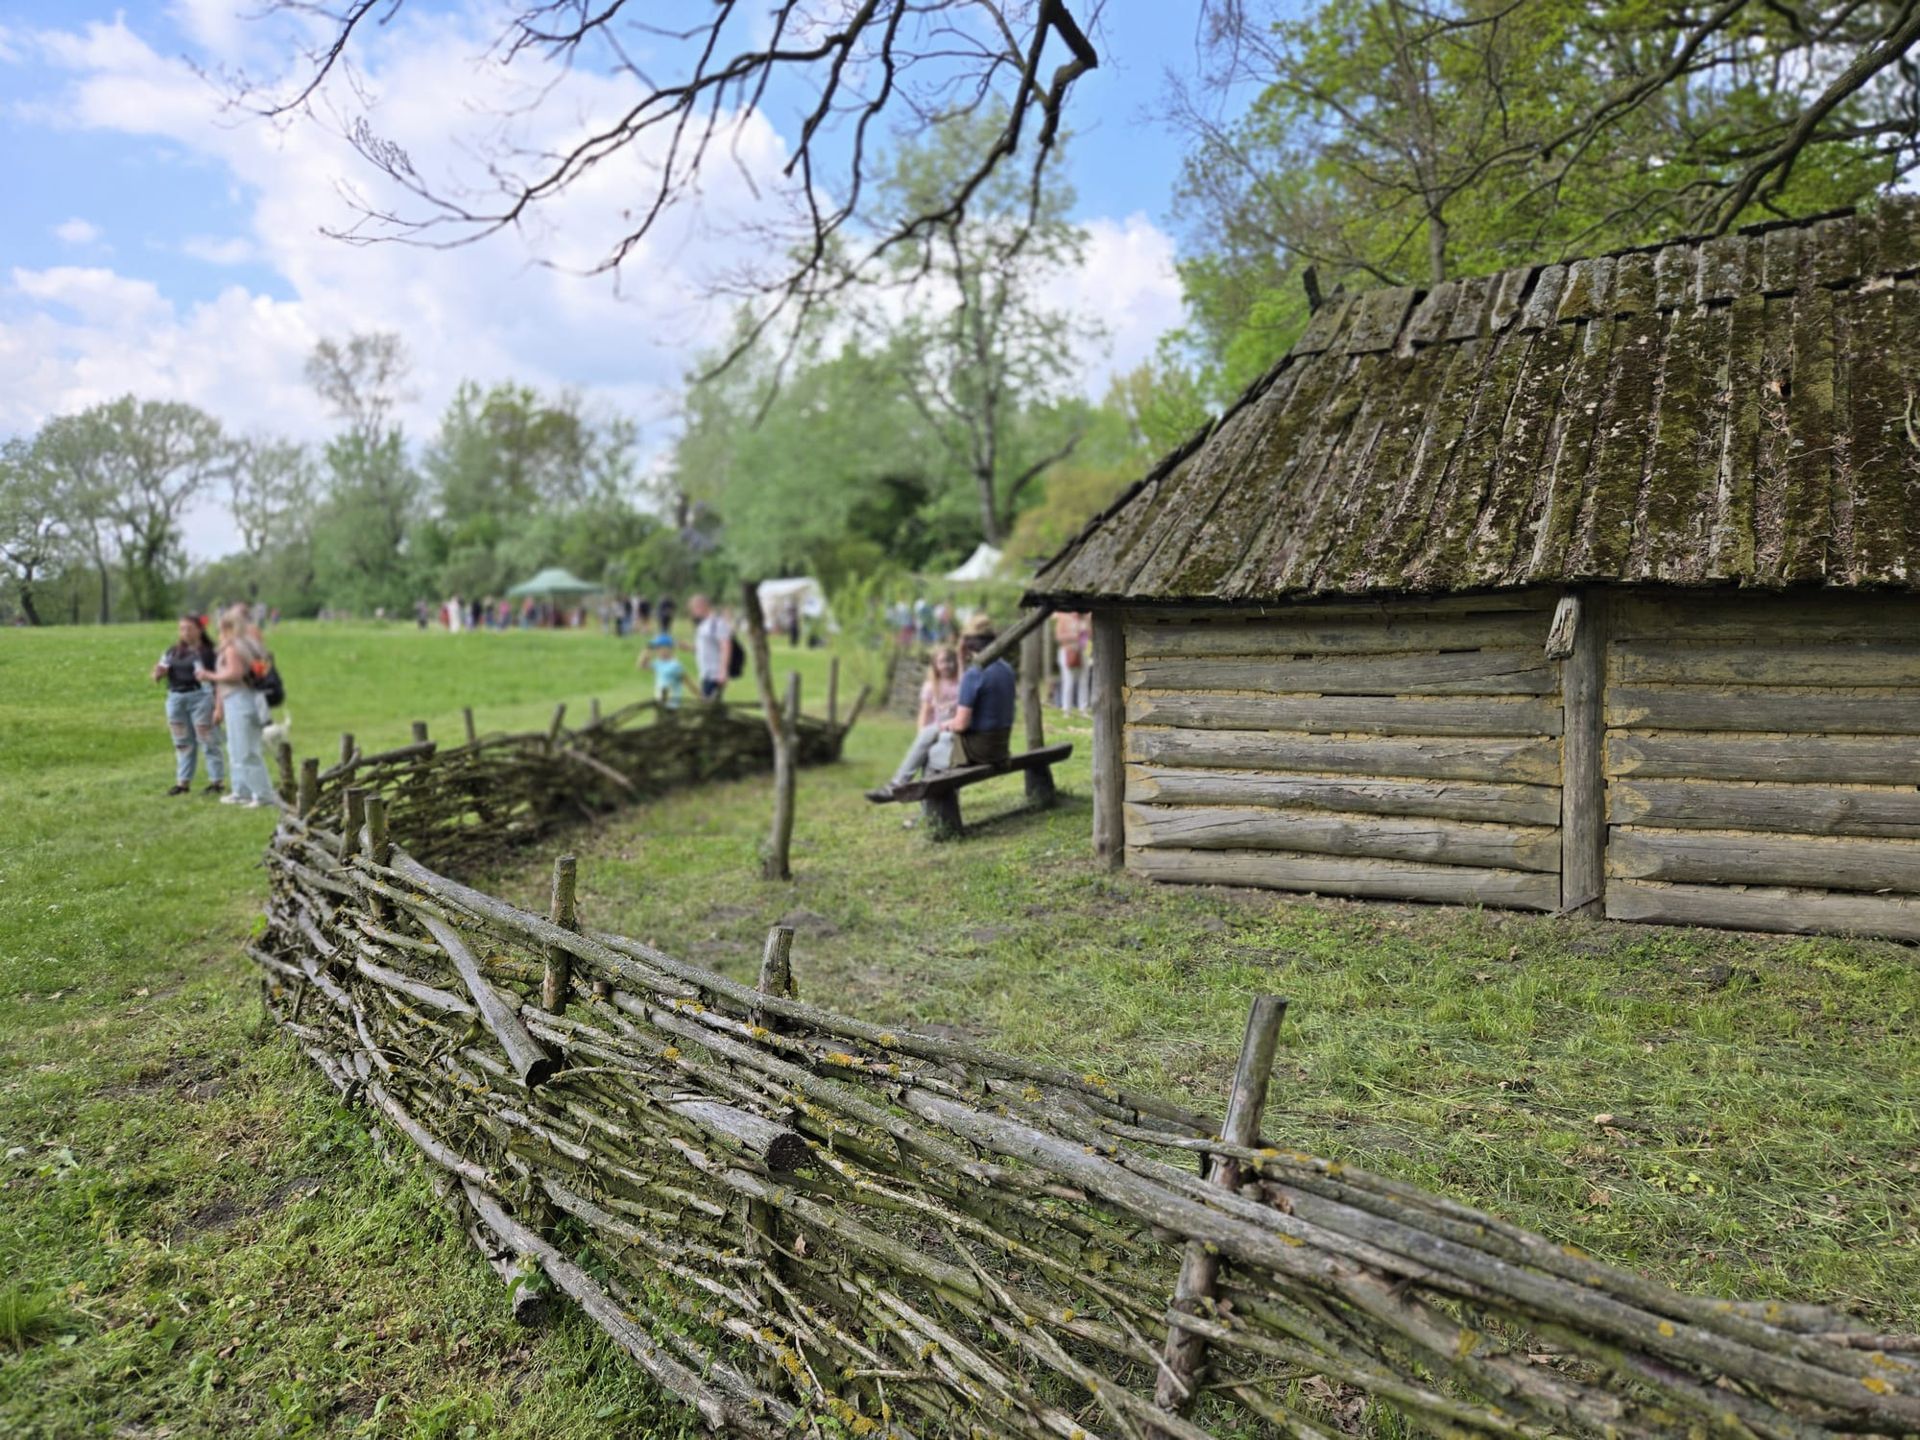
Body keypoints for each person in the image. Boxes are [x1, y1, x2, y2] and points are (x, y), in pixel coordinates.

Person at [198, 604, 276, 808]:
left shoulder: (234, 647)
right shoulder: (244, 644)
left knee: (246, 749)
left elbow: (234, 673)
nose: (219, 632)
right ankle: (241, 790)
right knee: (236, 747)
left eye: (223, 628)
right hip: (240, 698)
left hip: (240, 698)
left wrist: (209, 675)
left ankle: (262, 794)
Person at [866, 646, 961, 799]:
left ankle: (897, 785)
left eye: (950, 661)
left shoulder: (960, 683)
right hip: (938, 729)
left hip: (955, 729)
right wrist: (921, 734)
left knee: (932, 742)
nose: (947, 665)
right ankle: (904, 790)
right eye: (942, 661)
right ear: (935, 664)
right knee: (927, 748)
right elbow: (925, 712)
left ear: (956, 662)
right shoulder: (932, 686)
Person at [929, 617, 1015, 771]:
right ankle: (898, 782)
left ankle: (907, 786)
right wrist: (961, 661)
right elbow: (967, 691)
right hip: (1001, 748)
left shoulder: (975, 673)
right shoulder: (1006, 669)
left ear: (968, 646)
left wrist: (948, 724)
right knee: (938, 741)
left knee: (932, 754)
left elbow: (962, 724)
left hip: (980, 752)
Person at [153, 615, 225, 796]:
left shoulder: (208, 653)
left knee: (207, 740)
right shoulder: (172, 652)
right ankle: (183, 783)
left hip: (201, 698)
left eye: (189, 628)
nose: (185, 632)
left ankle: (216, 782)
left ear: (199, 629)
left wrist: (218, 707)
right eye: (182, 628)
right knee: (182, 742)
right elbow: (157, 673)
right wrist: (158, 673)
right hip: (176, 698)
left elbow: (219, 681)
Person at [688, 594, 733, 700]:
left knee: (709, 706)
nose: (693, 612)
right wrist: (688, 647)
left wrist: (723, 671)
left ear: (701, 607)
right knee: (709, 705)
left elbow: (725, 646)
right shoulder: (703, 625)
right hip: (705, 672)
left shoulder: (717, 623)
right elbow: (705, 648)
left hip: (714, 673)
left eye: (693, 608)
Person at [1054, 610, 1091, 713]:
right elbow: (1059, 637)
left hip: (1083, 652)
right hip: (1067, 651)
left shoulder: (1085, 618)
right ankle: (1066, 709)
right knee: (1068, 681)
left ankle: (1083, 709)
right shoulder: (1063, 617)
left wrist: (1086, 625)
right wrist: (1075, 636)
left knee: (1084, 680)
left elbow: (1090, 634)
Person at [643, 634, 688, 708]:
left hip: (673, 704)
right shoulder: (658, 663)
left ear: (670, 649)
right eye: (657, 649)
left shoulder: (676, 665)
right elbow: (642, 665)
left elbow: (687, 681)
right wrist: (648, 649)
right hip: (660, 702)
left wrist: (700, 696)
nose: (658, 651)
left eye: (660, 648)